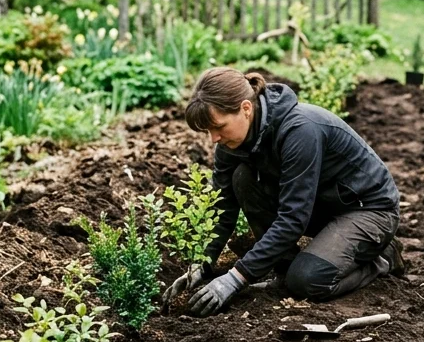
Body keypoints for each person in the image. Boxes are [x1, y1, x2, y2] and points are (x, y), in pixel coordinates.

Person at [163, 67, 404, 316]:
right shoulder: (231, 142)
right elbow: (222, 205)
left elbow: (292, 218)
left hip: (368, 210)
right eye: (208, 131)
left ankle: (382, 259)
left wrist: (236, 278)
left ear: (246, 108)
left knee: (308, 280)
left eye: (219, 127)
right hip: (321, 204)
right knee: (242, 178)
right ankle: (284, 268)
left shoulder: (300, 130)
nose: (214, 138)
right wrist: (201, 264)